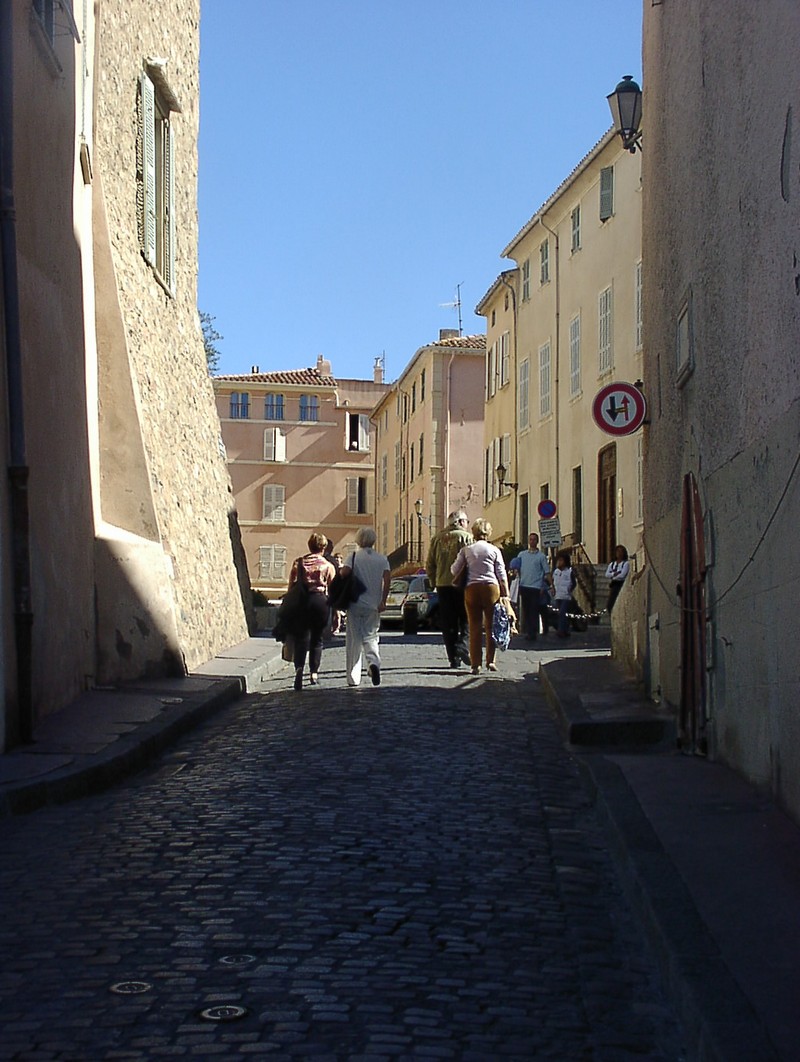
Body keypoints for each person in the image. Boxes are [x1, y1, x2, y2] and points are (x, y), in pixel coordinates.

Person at [450, 519, 509, 675]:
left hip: (472, 588)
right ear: (488, 532)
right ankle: (491, 661)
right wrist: (506, 594)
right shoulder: (494, 550)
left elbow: (454, 570)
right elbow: (501, 574)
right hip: (491, 588)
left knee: (474, 627)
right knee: (491, 626)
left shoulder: (467, 550)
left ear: (474, 532)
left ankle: (476, 664)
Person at [341, 527, 390, 687]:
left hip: (355, 603)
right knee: (371, 636)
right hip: (373, 604)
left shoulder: (353, 556)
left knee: (354, 640)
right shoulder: (382, 559)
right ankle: (373, 662)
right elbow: (387, 579)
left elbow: (344, 573)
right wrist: (383, 600)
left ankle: (353, 678)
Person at [287, 533, 336, 691]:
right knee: (317, 638)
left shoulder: (298, 563)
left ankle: (299, 668)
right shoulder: (327, 566)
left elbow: (291, 586)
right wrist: (337, 612)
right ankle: (314, 672)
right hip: (320, 602)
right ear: (323, 547)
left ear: (309, 546)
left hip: (302, 601)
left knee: (301, 638)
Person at [425, 510, 473, 668]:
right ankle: (462, 646)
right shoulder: (466, 537)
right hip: (461, 584)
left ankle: (453, 658)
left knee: (448, 622)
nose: (467, 524)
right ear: (459, 522)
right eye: (466, 521)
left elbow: (430, 564)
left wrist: (433, 581)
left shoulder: (436, 538)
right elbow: (471, 561)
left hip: (442, 584)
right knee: (466, 618)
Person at [509, 532, 551, 640]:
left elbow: (546, 572)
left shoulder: (541, 556)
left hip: (536, 587)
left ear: (537, 541)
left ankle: (533, 633)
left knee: (534, 610)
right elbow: (516, 569)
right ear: (528, 541)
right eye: (530, 539)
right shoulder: (522, 555)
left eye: (534, 539)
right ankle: (528, 631)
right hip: (524, 586)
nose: (532, 541)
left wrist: (549, 586)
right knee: (526, 611)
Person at [551, 549, 576, 638]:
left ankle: (561, 630)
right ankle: (565, 629)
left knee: (562, 612)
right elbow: (553, 582)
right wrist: (553, 589)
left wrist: (569, 589)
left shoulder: (569, 572)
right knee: (560, 614)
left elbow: (573, 583)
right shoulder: (556, 572)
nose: (559, 562)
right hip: (558, 595)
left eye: (561, 560)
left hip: (566, 596)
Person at [605, 545, 630, 612]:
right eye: (618, 551)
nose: (619, 553)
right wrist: (614, 574)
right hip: (614, 584)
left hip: (620, 584)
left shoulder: (626, 564)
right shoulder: (612, 564)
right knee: (610, 603)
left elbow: (622, 575)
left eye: (621, 552)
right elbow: (607, 574)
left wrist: (614, 575)